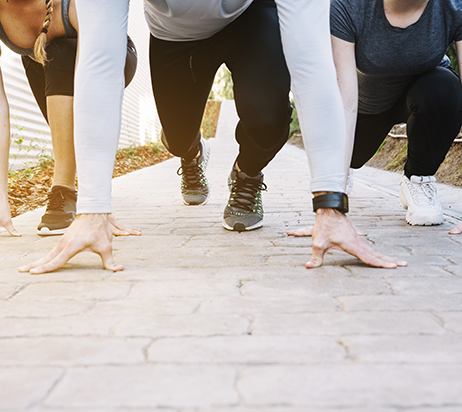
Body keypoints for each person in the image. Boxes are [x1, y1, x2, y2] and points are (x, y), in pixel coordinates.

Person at [19, 0, 406, 274]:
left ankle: (248, 173)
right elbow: (100, 59)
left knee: (269, 118)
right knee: (176, 137)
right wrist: (92, 210)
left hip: (252, 16)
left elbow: (312, 62)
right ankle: (191, 156)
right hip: (175, 36)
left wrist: (331, 206)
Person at [0, 0, 139, 237]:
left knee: (59, 53)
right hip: (41, 60)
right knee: (68, 135)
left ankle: (63, 190)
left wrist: (96, 205)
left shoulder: (71, 5)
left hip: (108, 54)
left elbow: (100, 79)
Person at [330, 0, 462, 227]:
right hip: (367, 105)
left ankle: (418, 180)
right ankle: (342, 172)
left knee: (445, 88)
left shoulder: (454, 6)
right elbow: (345, 103)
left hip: (426, 91)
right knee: (352, 157)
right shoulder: (347, 6)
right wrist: (332, 202)